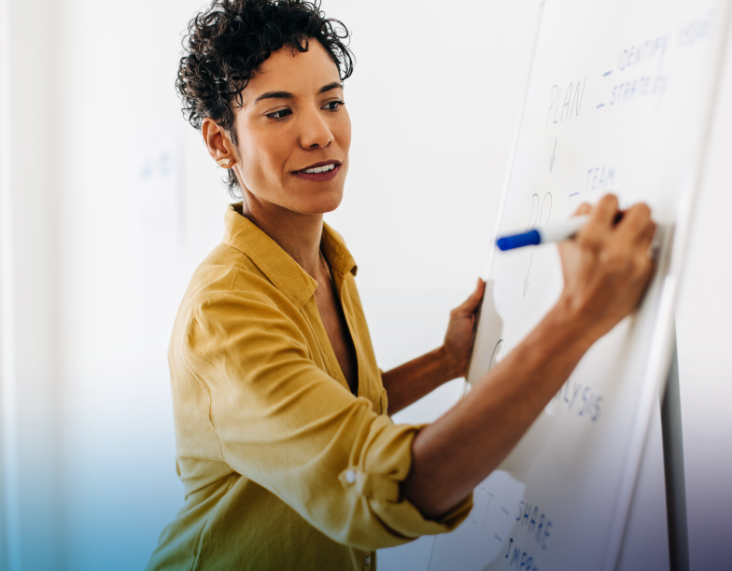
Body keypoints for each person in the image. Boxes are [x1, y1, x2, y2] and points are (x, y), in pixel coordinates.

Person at [144, 1, 656, 569]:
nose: (319, 133)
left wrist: (445, 361)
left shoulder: (327, 264)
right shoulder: (225, 312)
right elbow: (384, 484)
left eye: (332, 102)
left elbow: (347, 409)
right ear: (221, 143)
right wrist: (578, 317)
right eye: (279, 113)